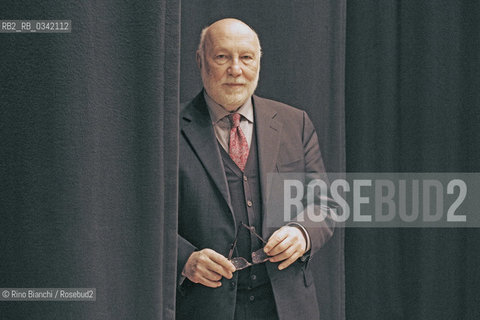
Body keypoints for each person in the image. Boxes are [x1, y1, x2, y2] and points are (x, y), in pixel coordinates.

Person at [177, 18, 335, 320]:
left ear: (258, 62)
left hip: (288, 308)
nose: (236, 70)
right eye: (222, 57)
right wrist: (184, 259)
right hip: (203, 308)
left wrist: (303, 233)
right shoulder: (167, 131)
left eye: (246, 57)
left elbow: (326, 205)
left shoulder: (295, 123)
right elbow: (142, 220)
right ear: (200, 60)